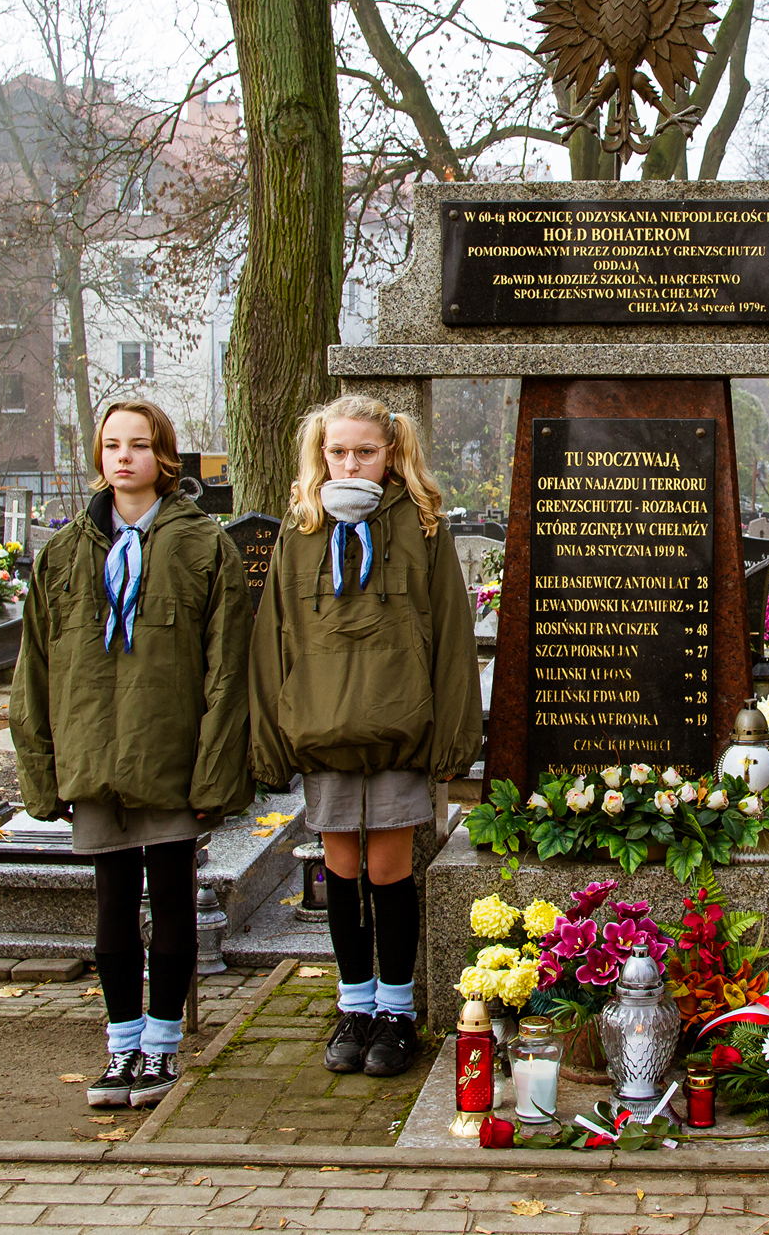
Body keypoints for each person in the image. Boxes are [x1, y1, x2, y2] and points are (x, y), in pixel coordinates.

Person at [13, 399, 252, 1109]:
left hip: (169, 758)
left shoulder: (206, 546)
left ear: (164, 456)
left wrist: (213, 771)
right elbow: (34, 674)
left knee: (173, 897)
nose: (123, 457)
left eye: (139, 444)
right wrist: (43, 770)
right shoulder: (61, 553)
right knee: (112, 902)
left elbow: (226, 671)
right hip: (93, 761)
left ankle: (162, 1046)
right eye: (112, 444)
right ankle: (120, 1047)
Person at [249, 394, 484, 1078]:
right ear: (319, 455)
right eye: (338, 451)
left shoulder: (422, 526)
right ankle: (353, 1004)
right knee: (340, 871)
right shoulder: (301, 531)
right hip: (325, 731)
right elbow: (274, 639)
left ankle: (395, 1009)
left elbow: (449, 638)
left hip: (396, 730)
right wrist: (272, 737)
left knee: (387, 869)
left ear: (392, 454)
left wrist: (451, 739)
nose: (350, 462)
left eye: (365, 451)